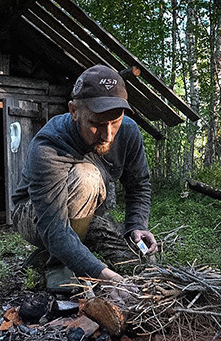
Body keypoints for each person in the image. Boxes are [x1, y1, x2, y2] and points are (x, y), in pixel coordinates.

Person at [12, 65, 157, 290]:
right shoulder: (49, 146)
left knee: (136, 260)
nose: (107, 135)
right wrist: (106, 275)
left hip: (87, 214)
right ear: (73, 111)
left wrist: (137, 225)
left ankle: (56, 253)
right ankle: (57, 263)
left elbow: (139, 184)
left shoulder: (128, 132)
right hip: (35, 215)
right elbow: (54, 226)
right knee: (87, 176)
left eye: (115, 122)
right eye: (97, 124)